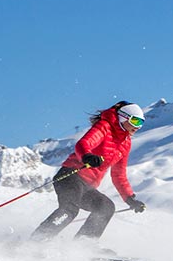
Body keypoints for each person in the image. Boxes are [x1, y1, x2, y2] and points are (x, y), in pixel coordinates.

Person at [31, 101, 147, 243]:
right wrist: (87, 156)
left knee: (106, 207)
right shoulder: (105, 127)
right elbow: (83, 144)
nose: (137, 126)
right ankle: (37, 240)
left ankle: (83, 245)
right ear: (123, 117)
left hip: (88, 187)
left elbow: (119, 175)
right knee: (70, 210)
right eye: (135, 120)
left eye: (141, 122)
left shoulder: (125, 143)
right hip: (70, 176)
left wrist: (130, 199)